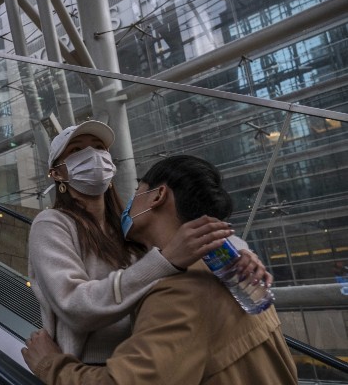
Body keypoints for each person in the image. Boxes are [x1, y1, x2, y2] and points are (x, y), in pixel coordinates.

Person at [23, 155, 297, 384]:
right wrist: (234, 249)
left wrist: (50, 365)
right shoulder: (236, 274)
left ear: (158, 196)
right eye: (77, 149)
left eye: (138, 191)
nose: (93, 156)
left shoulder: (178, 292)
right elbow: (74, 302)